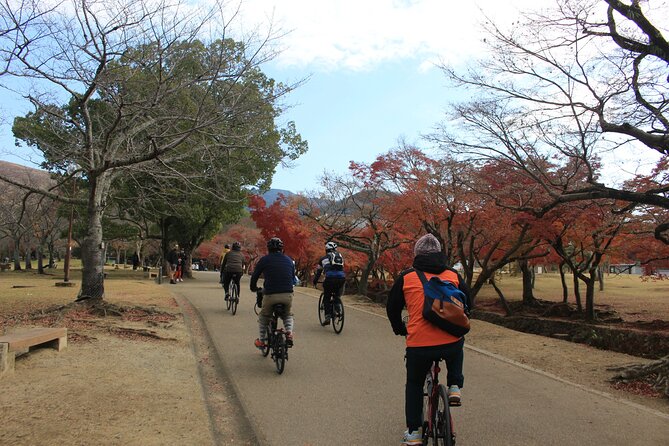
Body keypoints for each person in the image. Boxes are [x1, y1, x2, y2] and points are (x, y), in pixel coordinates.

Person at [386, 233, 472, 446]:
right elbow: (469, 303)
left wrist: (400, 329)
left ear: (416, 254)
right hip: (451, 343)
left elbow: (392, 308)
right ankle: (454, 387)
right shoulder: (453, 274)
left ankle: (414, 433)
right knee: (457, 343)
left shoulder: (406, 277)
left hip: (419, 345)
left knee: (414, 383)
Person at [250, 237, 295, 348]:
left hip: (271, 294)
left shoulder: (264, 260)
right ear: (281, 248)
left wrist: (253, 288)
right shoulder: (289, 260)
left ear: (268, 248)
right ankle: (289, 333)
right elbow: (293, 278)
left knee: (264, 316)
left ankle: (261, 341)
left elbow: (255, 276)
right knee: (287, 314)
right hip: (287, 294)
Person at [312, 241, 346, 325]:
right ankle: (338, 309)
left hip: (330, 279)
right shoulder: (340, 258)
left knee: (327, 296)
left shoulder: (323, 259)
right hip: (341, 279)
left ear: (326, 250)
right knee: (337, 295)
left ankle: (327, 316)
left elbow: (319, 272)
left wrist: (315, 281)